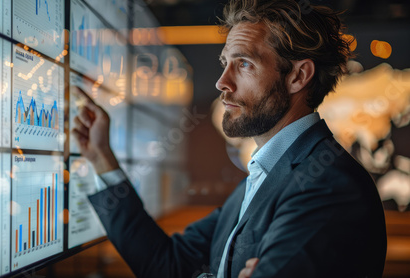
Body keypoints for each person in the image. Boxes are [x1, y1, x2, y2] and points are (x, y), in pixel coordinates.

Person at [72, 0, 387, 277]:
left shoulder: (329, 186)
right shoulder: (262, 176)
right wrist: (102, 158)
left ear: (297, 76)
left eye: (245, 64)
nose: (223, 82)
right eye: (225, 64)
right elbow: (169, 265)